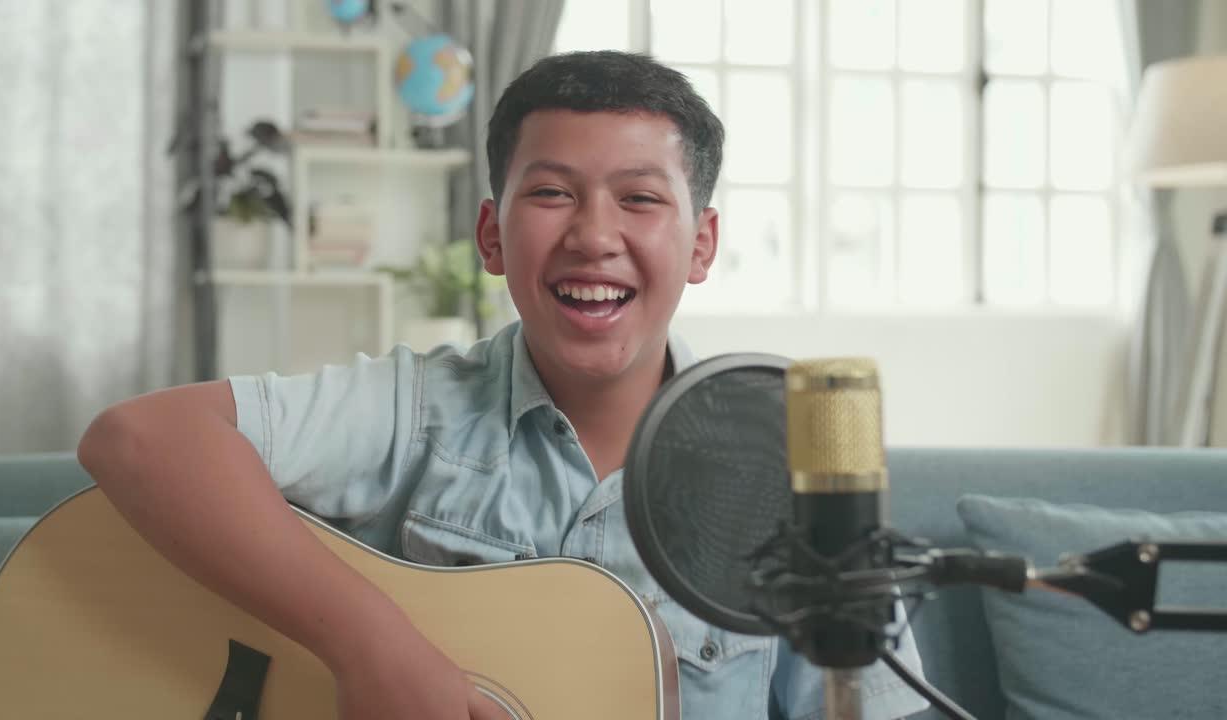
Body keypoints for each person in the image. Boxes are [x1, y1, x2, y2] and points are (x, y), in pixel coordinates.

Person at [79, 50, 929, 720]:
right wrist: (374, 649)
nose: (595, 236)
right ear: (490, 234)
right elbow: (138, 439)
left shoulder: (798, 480)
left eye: (639, 199)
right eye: (553, 193)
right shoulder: (412, 411)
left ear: (702, 244)